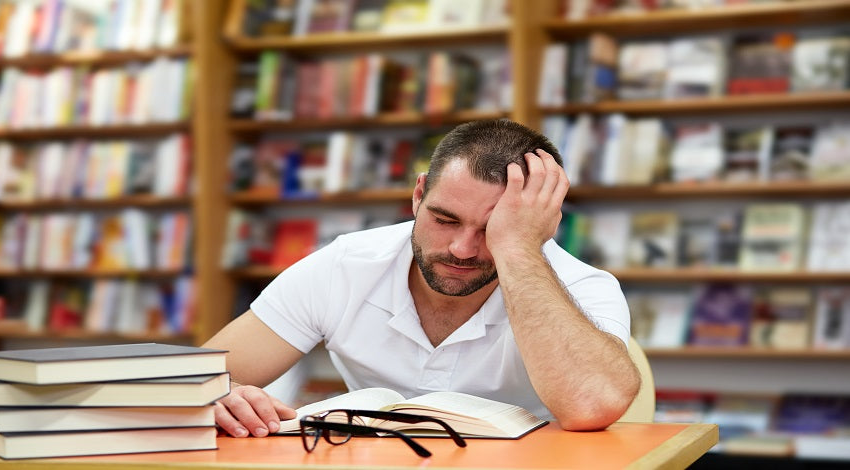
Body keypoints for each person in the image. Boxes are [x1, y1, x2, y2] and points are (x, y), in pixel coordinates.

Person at [204, 119, 641, 438]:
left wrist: (520, 251)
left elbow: (591, 406)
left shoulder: (580, 285)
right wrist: (225, 395)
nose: (462, 249)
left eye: (491, 230)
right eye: (444, 219)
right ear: (418, 194)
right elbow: (194, 377)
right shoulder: (345, 264)